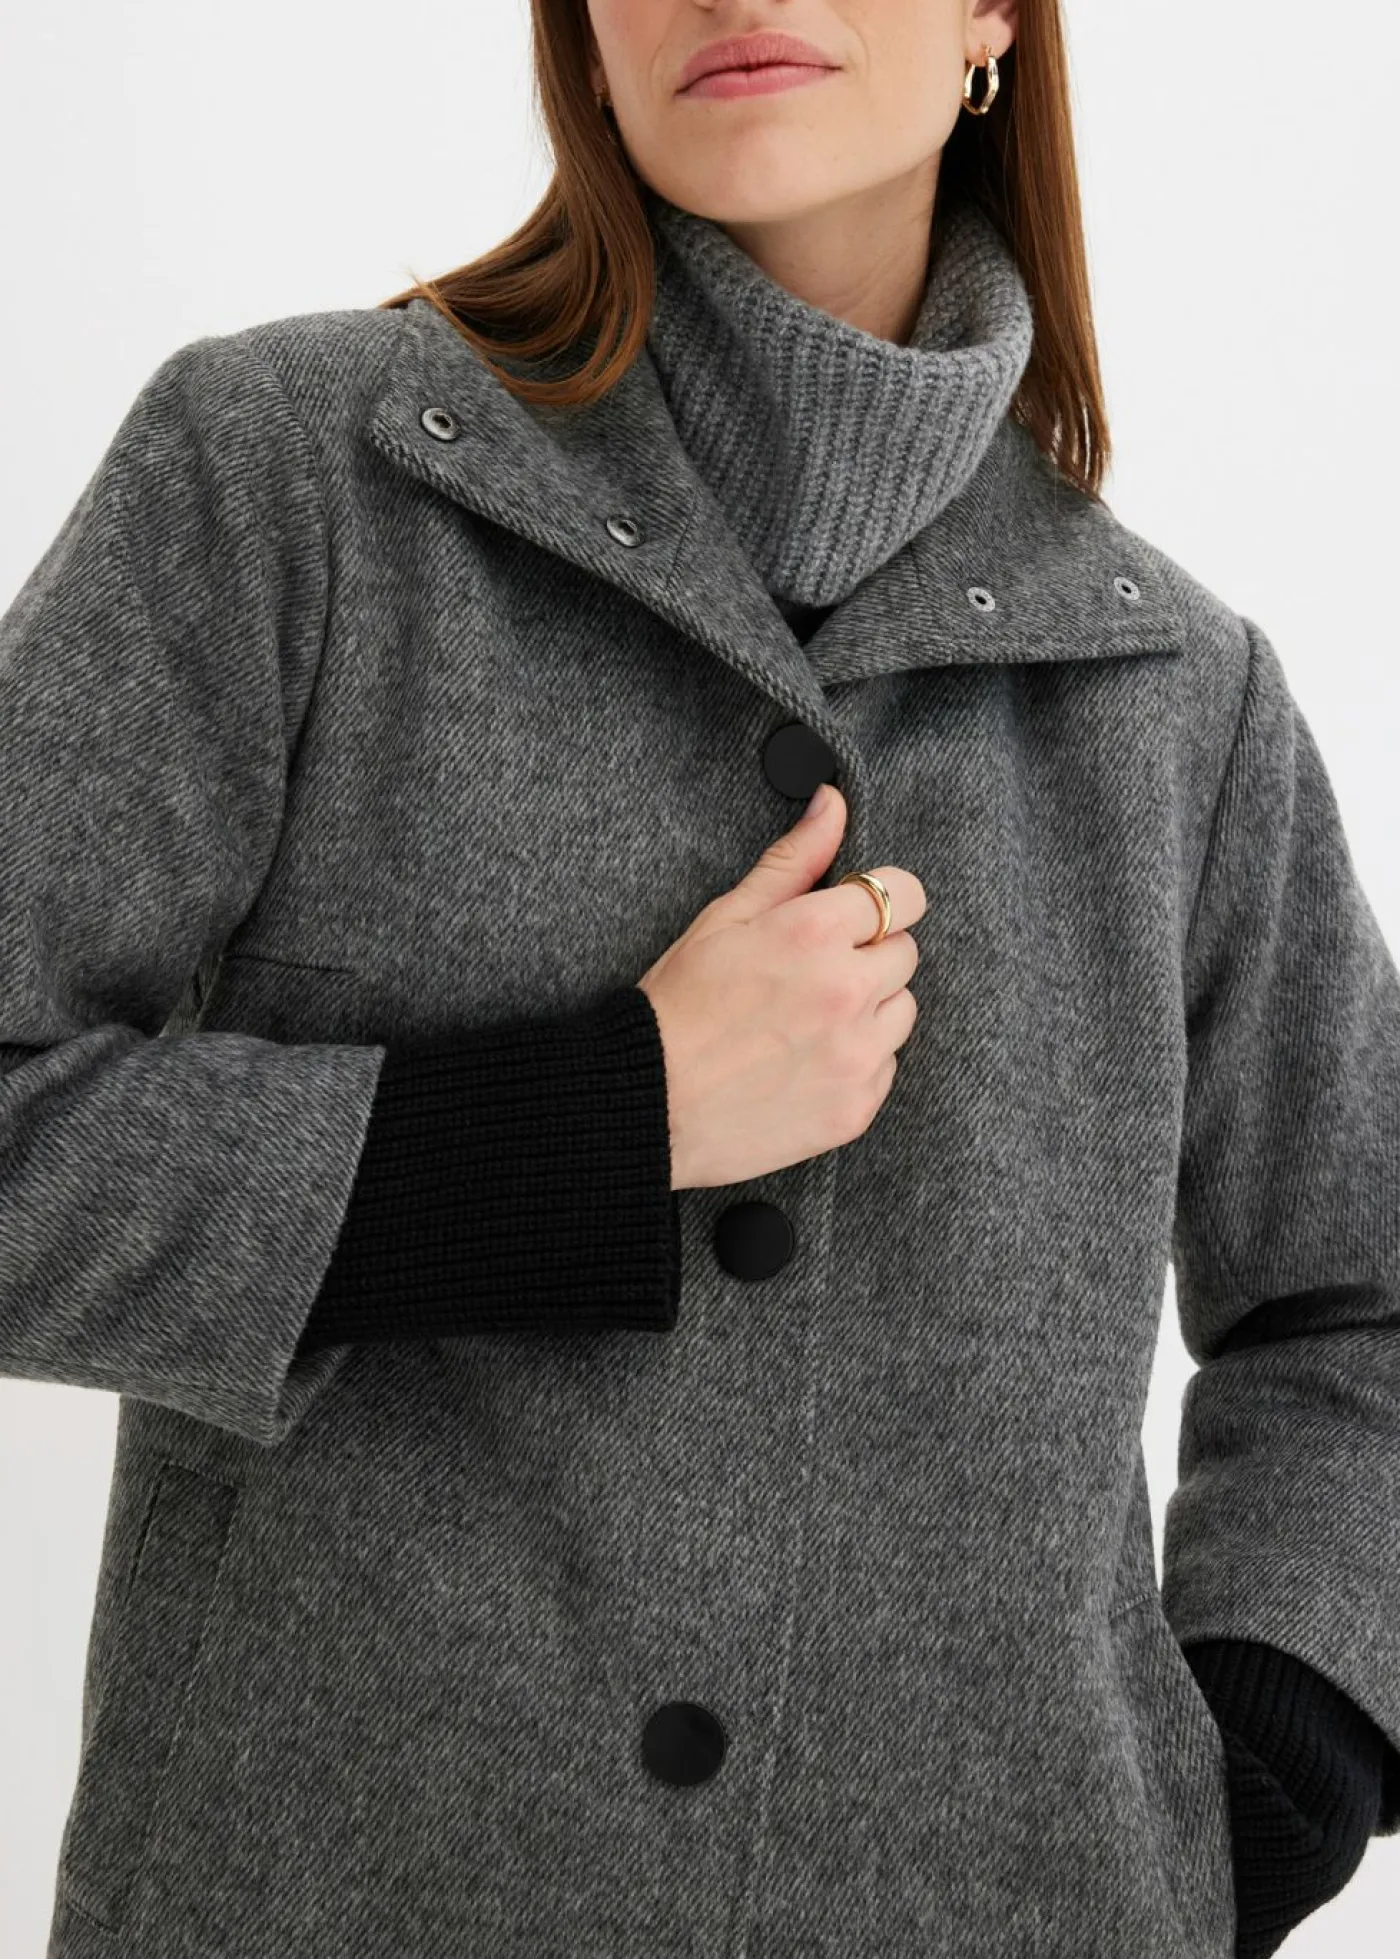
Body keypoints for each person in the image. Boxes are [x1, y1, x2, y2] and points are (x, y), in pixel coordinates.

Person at [4, 4, 1397, 1956]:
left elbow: (1357, 1308)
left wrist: (1260, 1770)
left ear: (993, 16)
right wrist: (598, 1123)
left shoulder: (1183, 696)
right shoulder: (285, 484)